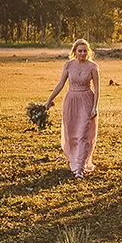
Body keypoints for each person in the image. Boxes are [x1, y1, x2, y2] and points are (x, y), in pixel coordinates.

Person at [45, 39, 101, 177]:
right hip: (71, 101)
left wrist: (95, 107)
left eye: (84, 51)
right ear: (75, 52)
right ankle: (75, 162)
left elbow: (97, 89)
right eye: (80, 51)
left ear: (88, 52)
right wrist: (49, 100)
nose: (82, 53)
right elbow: (60, 84)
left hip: (86, 100)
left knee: (83, 134)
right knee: (72, 135)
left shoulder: (93, 67)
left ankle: (80, 168)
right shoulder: (68, 65)